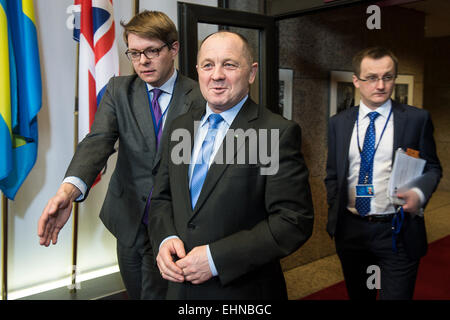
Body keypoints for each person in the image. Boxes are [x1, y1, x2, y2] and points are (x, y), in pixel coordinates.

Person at [37, 11, 204, 300]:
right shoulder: (118, 90)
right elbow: (98, 141)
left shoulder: (200, 95)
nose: (142, 61)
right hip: (127, 220)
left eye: (152, 51)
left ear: (174, 48)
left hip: (173, 225)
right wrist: (68, 190)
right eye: (134, 53)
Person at [147, 31, 314, 300]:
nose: (217, 75)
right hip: (180, 290)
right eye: (208, 65)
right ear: (198, 71)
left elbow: (292, 221)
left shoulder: (274, 133)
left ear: (251, 72)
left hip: (242, 292)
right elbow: (163, 198)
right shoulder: (181, 127)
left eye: (229, 64)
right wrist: (165, 238)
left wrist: (215, 259)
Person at [325, 47, 442, 300]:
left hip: (397, 230)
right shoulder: (338, 123)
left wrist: (419, 192)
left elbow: (433, 167)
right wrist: (335, 207)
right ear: (356, 81)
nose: (380, 85)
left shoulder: (416, 119)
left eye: (387, 77)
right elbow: (333, 173)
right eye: (371, 78)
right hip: (352, 231)